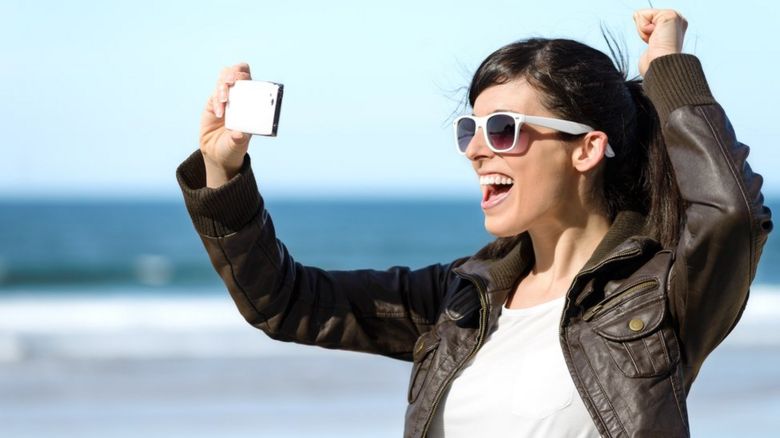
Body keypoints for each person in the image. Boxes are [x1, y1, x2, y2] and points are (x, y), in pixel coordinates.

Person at [176, 8, 772, 438]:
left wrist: (669, 65)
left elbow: (732, 217)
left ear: (586, 150)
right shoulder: (461, 299)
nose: (476, 150)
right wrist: (222, 171)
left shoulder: (662, 294)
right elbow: (285, 301)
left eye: (504, 130)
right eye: (472, 129)